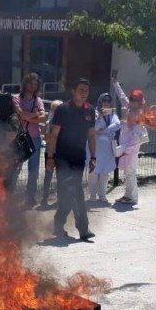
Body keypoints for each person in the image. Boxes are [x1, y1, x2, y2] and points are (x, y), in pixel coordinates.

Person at [46, 78, 98, 241]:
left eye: (86, 91)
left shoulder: (90, 111)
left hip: (79, 158)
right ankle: (83, 229)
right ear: (73, 91)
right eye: (81, 90)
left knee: (69, 194)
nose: (84, 93)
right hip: (62, 158)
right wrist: (50, 157)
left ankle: (59, 224)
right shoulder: (63, 109)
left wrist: (93, 157)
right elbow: (54, 135)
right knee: (75, 191)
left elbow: (91, 136)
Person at [13, 73, 47, 206]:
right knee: (16, 167)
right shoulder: (16, 99)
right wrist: (36, 115)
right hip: (20, 137)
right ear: (24, 83)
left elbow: (44, 118)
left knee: (34, 169)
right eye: (30, 83)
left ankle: (30, 196)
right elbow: (21, 114)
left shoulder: (38, 100)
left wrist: (28, 116)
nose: (33, 86)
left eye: (35, 84)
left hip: (35, 138)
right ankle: (10, 195)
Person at [0, 92, 25, 191]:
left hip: (9, 159)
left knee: (5, 187)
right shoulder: (4, 117)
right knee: (1, 186)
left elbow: (10, 137)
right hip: (4, 159)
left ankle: (6, 206)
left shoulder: (13, 118)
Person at [89, 93, 120, 203]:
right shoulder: (94, 112)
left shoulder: (112, 113)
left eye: (108, 101)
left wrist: (103, 131)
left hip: (107, 149)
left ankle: (102, 195)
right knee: (94, 172)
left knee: (105, 173)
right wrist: (99, 118)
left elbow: (117, 124)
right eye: (104, 100)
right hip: (95, 148)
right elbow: (93, 128)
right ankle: (93, 195)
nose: (107, 103)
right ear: (100, 101)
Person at [39, 100, 62, 208]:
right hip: (50, 153)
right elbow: (47, 139)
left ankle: (59, 198)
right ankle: (45, 198)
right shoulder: (49, 123)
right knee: (49, 176)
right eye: (54, 109)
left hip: (60, 152)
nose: (56, 111)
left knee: (59, 176)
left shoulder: (64, 122)